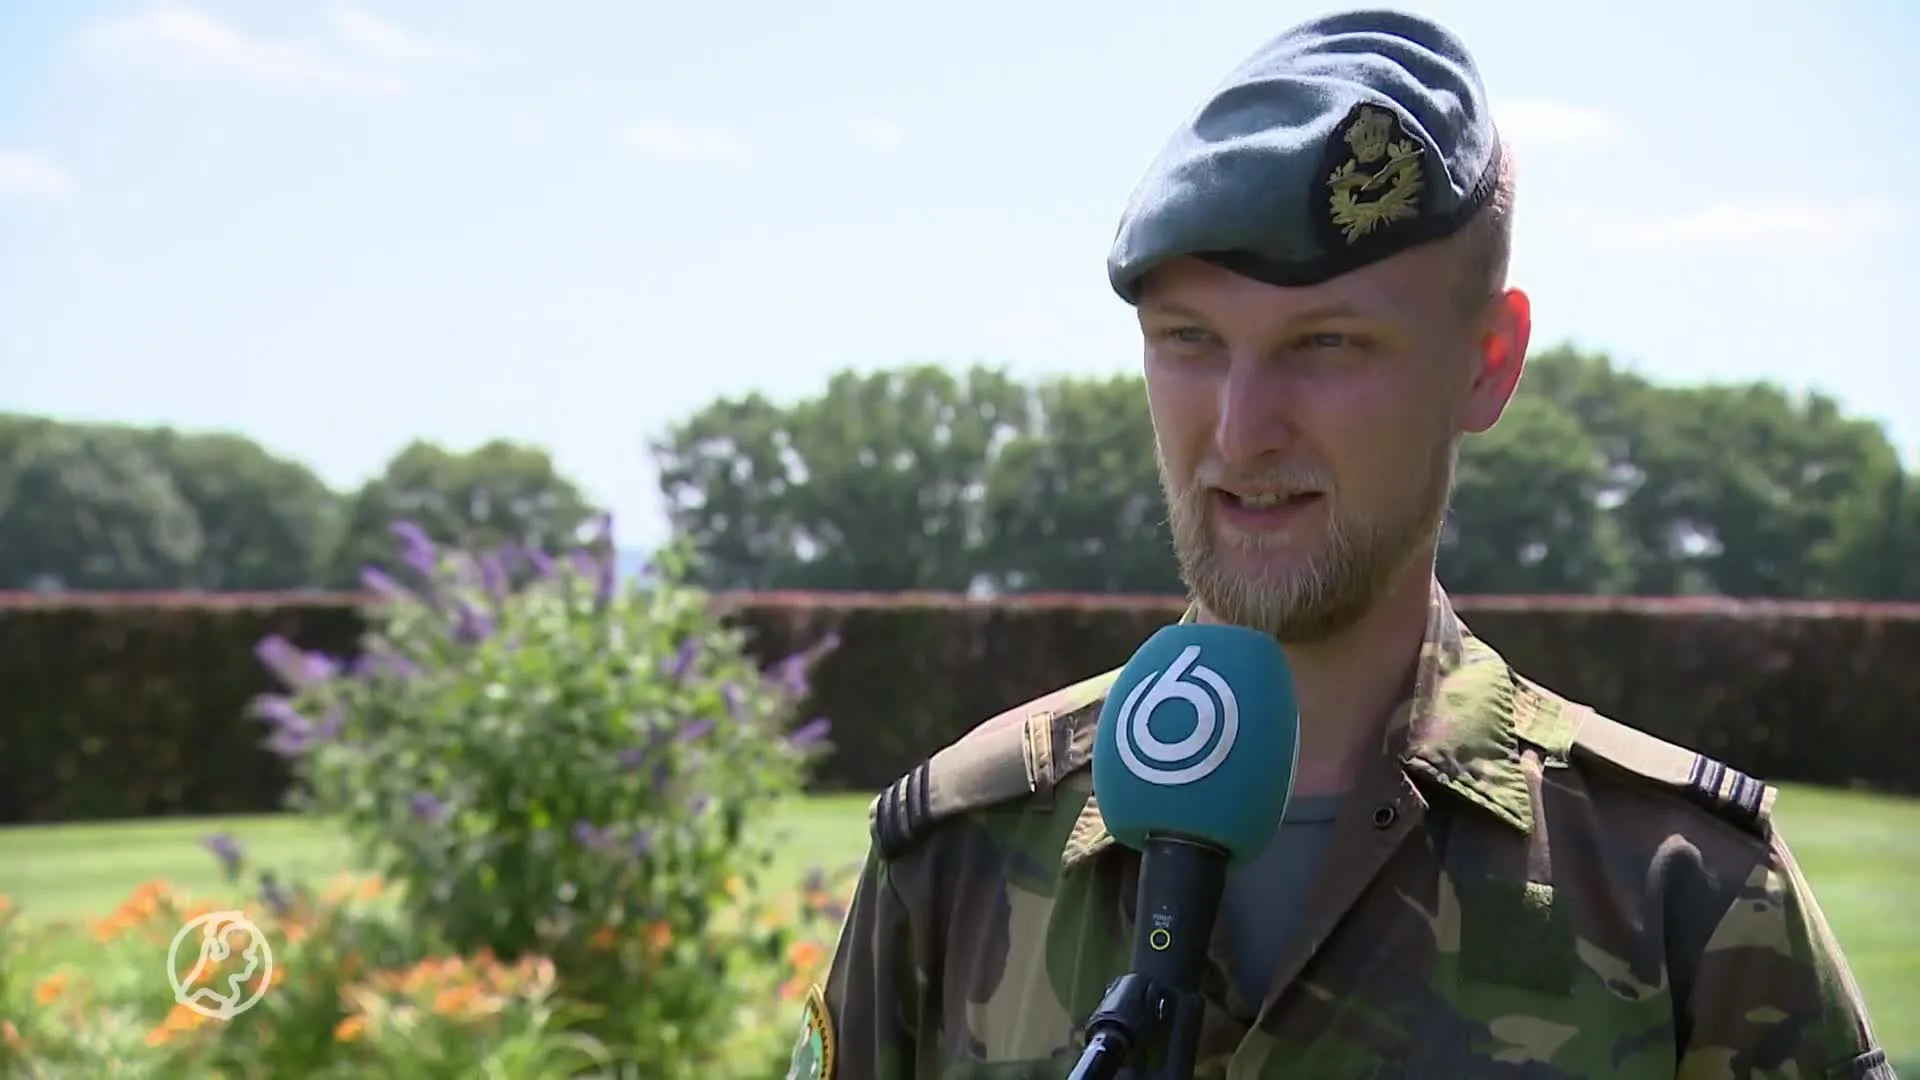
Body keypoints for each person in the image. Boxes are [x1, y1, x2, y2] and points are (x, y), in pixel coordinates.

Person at [784, 10, 1894, 1079]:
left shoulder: (1684, 899)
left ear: (1487, 359)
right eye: (1191, 341)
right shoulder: (959, 857)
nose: (1240, 430)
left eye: (1328, 343)